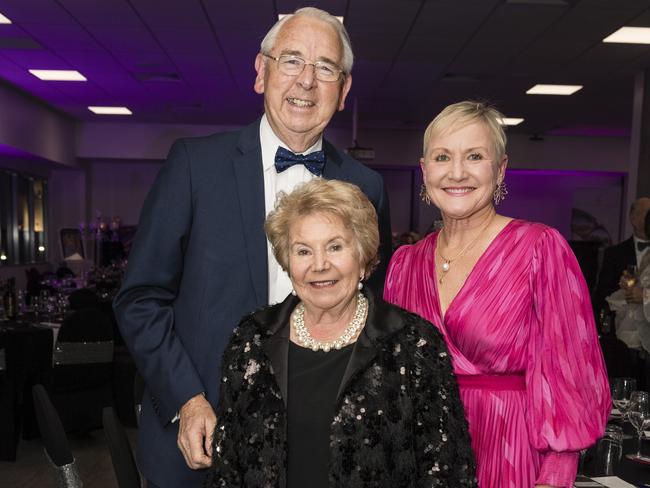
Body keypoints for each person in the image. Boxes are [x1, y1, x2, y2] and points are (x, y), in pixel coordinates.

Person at [113, 8, 391, 487]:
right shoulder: (195, 166)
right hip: (201, 434)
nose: (306, 81)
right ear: (261, 73)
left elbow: (370, 312)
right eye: (291, 61)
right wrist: (187, 399)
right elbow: (139, 299)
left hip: (318, 447)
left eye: (325, 68)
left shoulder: (366, 186)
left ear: (343, 92)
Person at [383, 101, 610, 488]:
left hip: (508, 452)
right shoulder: (404, 264)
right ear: (425, 171)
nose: (457, 172)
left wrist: (556, 475)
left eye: (474, 156)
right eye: (442, 157)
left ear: (500, 168)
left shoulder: (540, 248)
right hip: (419, 455)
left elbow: (571, 374)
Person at [205, 178, 476, 488]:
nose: (319, 265)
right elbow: (227, 468)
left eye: (335, 247)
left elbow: (447, 472)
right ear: (287, 262)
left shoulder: (413, 343)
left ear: (363, 258)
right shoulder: (251, 339)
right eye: (303, 251)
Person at [593, 197, 650, 312]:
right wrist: (625, 293)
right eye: (647, 214)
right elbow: (601, 295)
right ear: (633, 219)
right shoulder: (614, 254)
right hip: (623, 325)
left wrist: (645, 296)